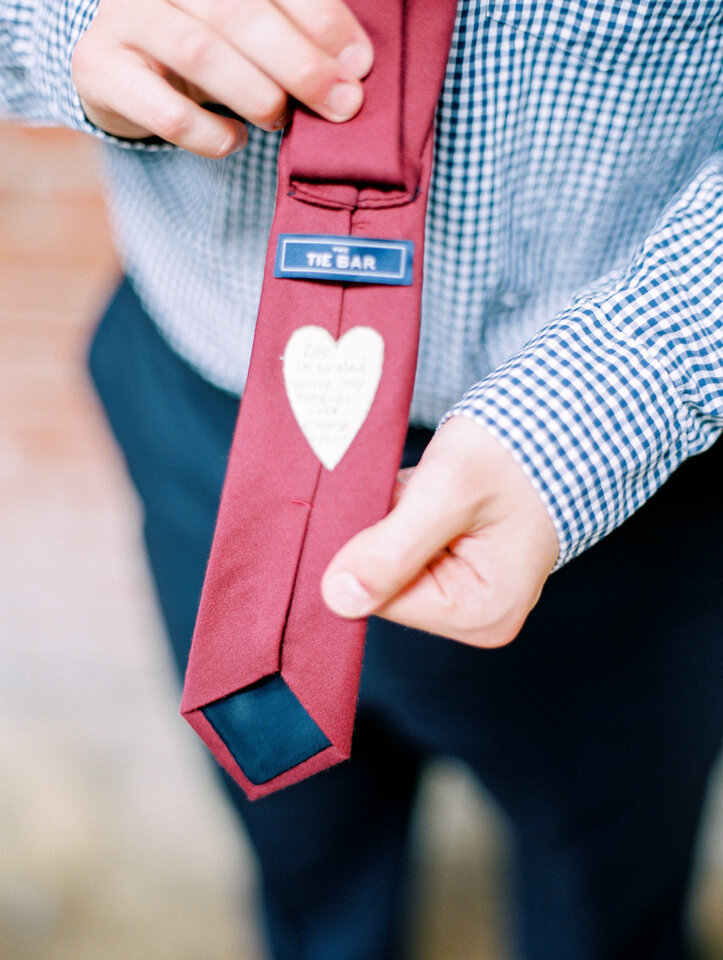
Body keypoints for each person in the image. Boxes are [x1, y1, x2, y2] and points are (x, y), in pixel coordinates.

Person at [1, 0, 721, 957]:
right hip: (211, 429)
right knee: (308, 881)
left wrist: (611, 394)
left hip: (621, 485)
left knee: (603, 908)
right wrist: (64, 23)